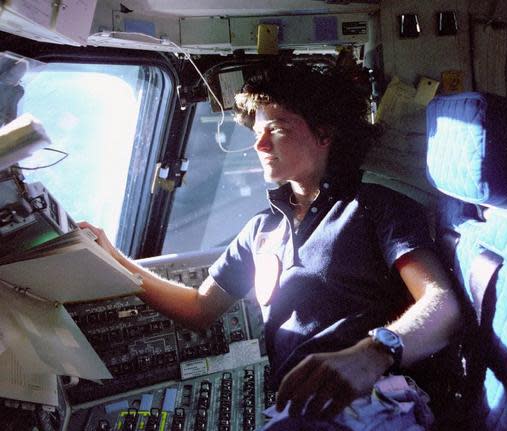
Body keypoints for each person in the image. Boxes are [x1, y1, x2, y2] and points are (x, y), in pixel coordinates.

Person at [81, 63, 460, 430]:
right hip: (300, 408)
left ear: (324, 135)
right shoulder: (261, 229)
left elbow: (442, 306)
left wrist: (374, 353)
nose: (259, 144)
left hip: (377, 394)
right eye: (257, 132)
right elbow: (199, 309)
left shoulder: (375, 207)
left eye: (277, 129)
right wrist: (113, 258)